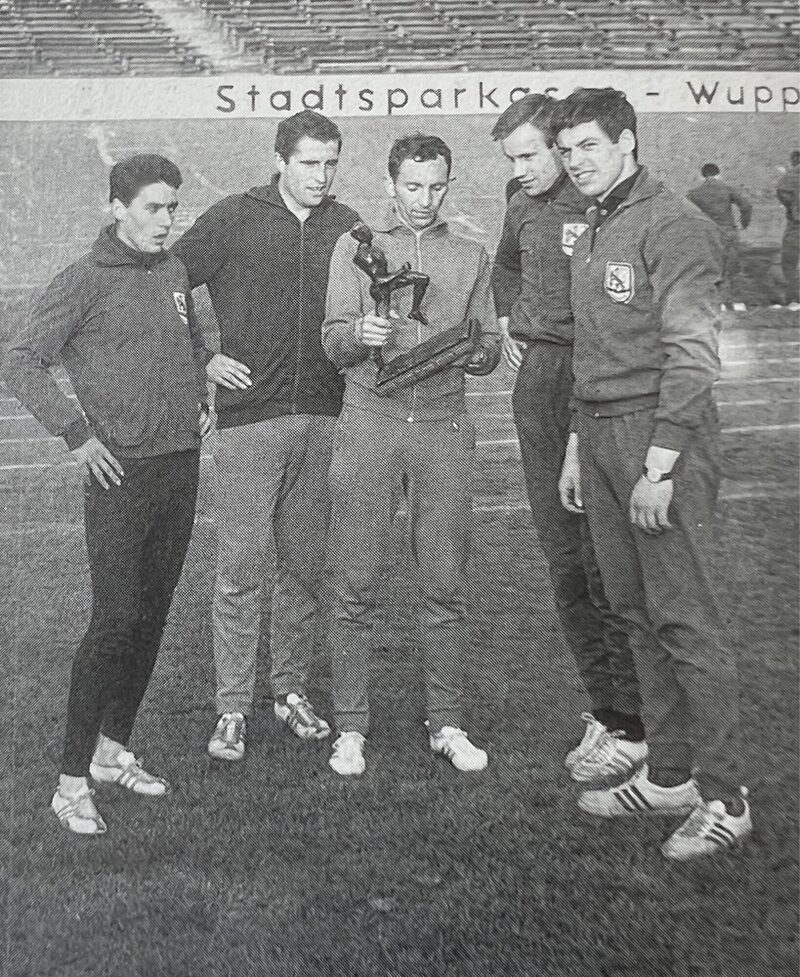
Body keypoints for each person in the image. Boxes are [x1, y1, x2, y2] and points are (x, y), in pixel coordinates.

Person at [555, 88, 752, 862]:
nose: (576, 163)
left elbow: (695, 355)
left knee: (686, 618)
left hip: (656, 440)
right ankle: (668, 774)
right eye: (567, 151)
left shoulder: (675, 224)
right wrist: (578, 441)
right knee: (633, 611)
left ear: (628, 143)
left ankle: (727, 795)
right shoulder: (598, 222)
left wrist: (660, 464)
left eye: (590, 148)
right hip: (600, 433)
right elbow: (596, 348)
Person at [2, 154, 212, 835]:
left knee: (151, 616)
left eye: (172, 207)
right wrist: (75, 434)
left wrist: (201, 397)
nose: (166, 219)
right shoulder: (82, 280)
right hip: (119, 475)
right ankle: (68, 783)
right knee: (115, 620)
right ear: (117, 208)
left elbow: (190, 341)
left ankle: (111, 751)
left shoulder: (175, 271)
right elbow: (21, 360)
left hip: (180, 467)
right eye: (153, 207)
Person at [172, 110, 359, 760]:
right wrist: (201, 357)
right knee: (241, 570)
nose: (322, 174)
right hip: (250, 422)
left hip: (325, 421)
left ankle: (290, 692)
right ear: (281, 159)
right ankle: (231, 707)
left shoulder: (347, 225)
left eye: (331, 161)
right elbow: (166, 279)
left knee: (304, 569)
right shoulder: (233, 215)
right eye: (310, 162)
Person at [322, 134, 501, 777]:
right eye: (413, 186)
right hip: (370, 422)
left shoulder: (470, 254)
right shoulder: (357, 245)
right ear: (391, 182)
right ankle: (350, 728)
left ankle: (447, 722)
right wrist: (357, 335)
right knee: (355, 582)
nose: (425, 200)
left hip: (445, 426)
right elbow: (333, 339)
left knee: (444, 585)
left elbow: (489, 350)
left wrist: (477, 351)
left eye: (437, 186)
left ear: (448, 183)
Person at [490, 94, 645, 787]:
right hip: (540, 385)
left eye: (530, 154)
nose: (522, 168)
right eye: (512, 158)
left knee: (604, 561)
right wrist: (506, 320)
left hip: (591, 383)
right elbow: (504, 267)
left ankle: (634, 722)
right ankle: (604, 706)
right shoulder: (520, 202)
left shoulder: (599, 206)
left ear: (561, 145)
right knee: (564, 564)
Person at [686, 162, 752, 312]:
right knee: (731, 268)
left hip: (708, 234)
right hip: (729, 233)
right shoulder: (727, 189)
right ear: (719, 174)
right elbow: (746, 205)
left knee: (709, 268)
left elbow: (684, 212)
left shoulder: (695, 193)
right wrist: (744, 223)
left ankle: (713, 303)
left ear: (702, 176)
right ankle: (731, 302)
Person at [775, 150, 800, 311]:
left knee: (789, 262)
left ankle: (794, 299)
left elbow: (780, 191)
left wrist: (792, 207)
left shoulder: (791, 176)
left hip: (796, 225)